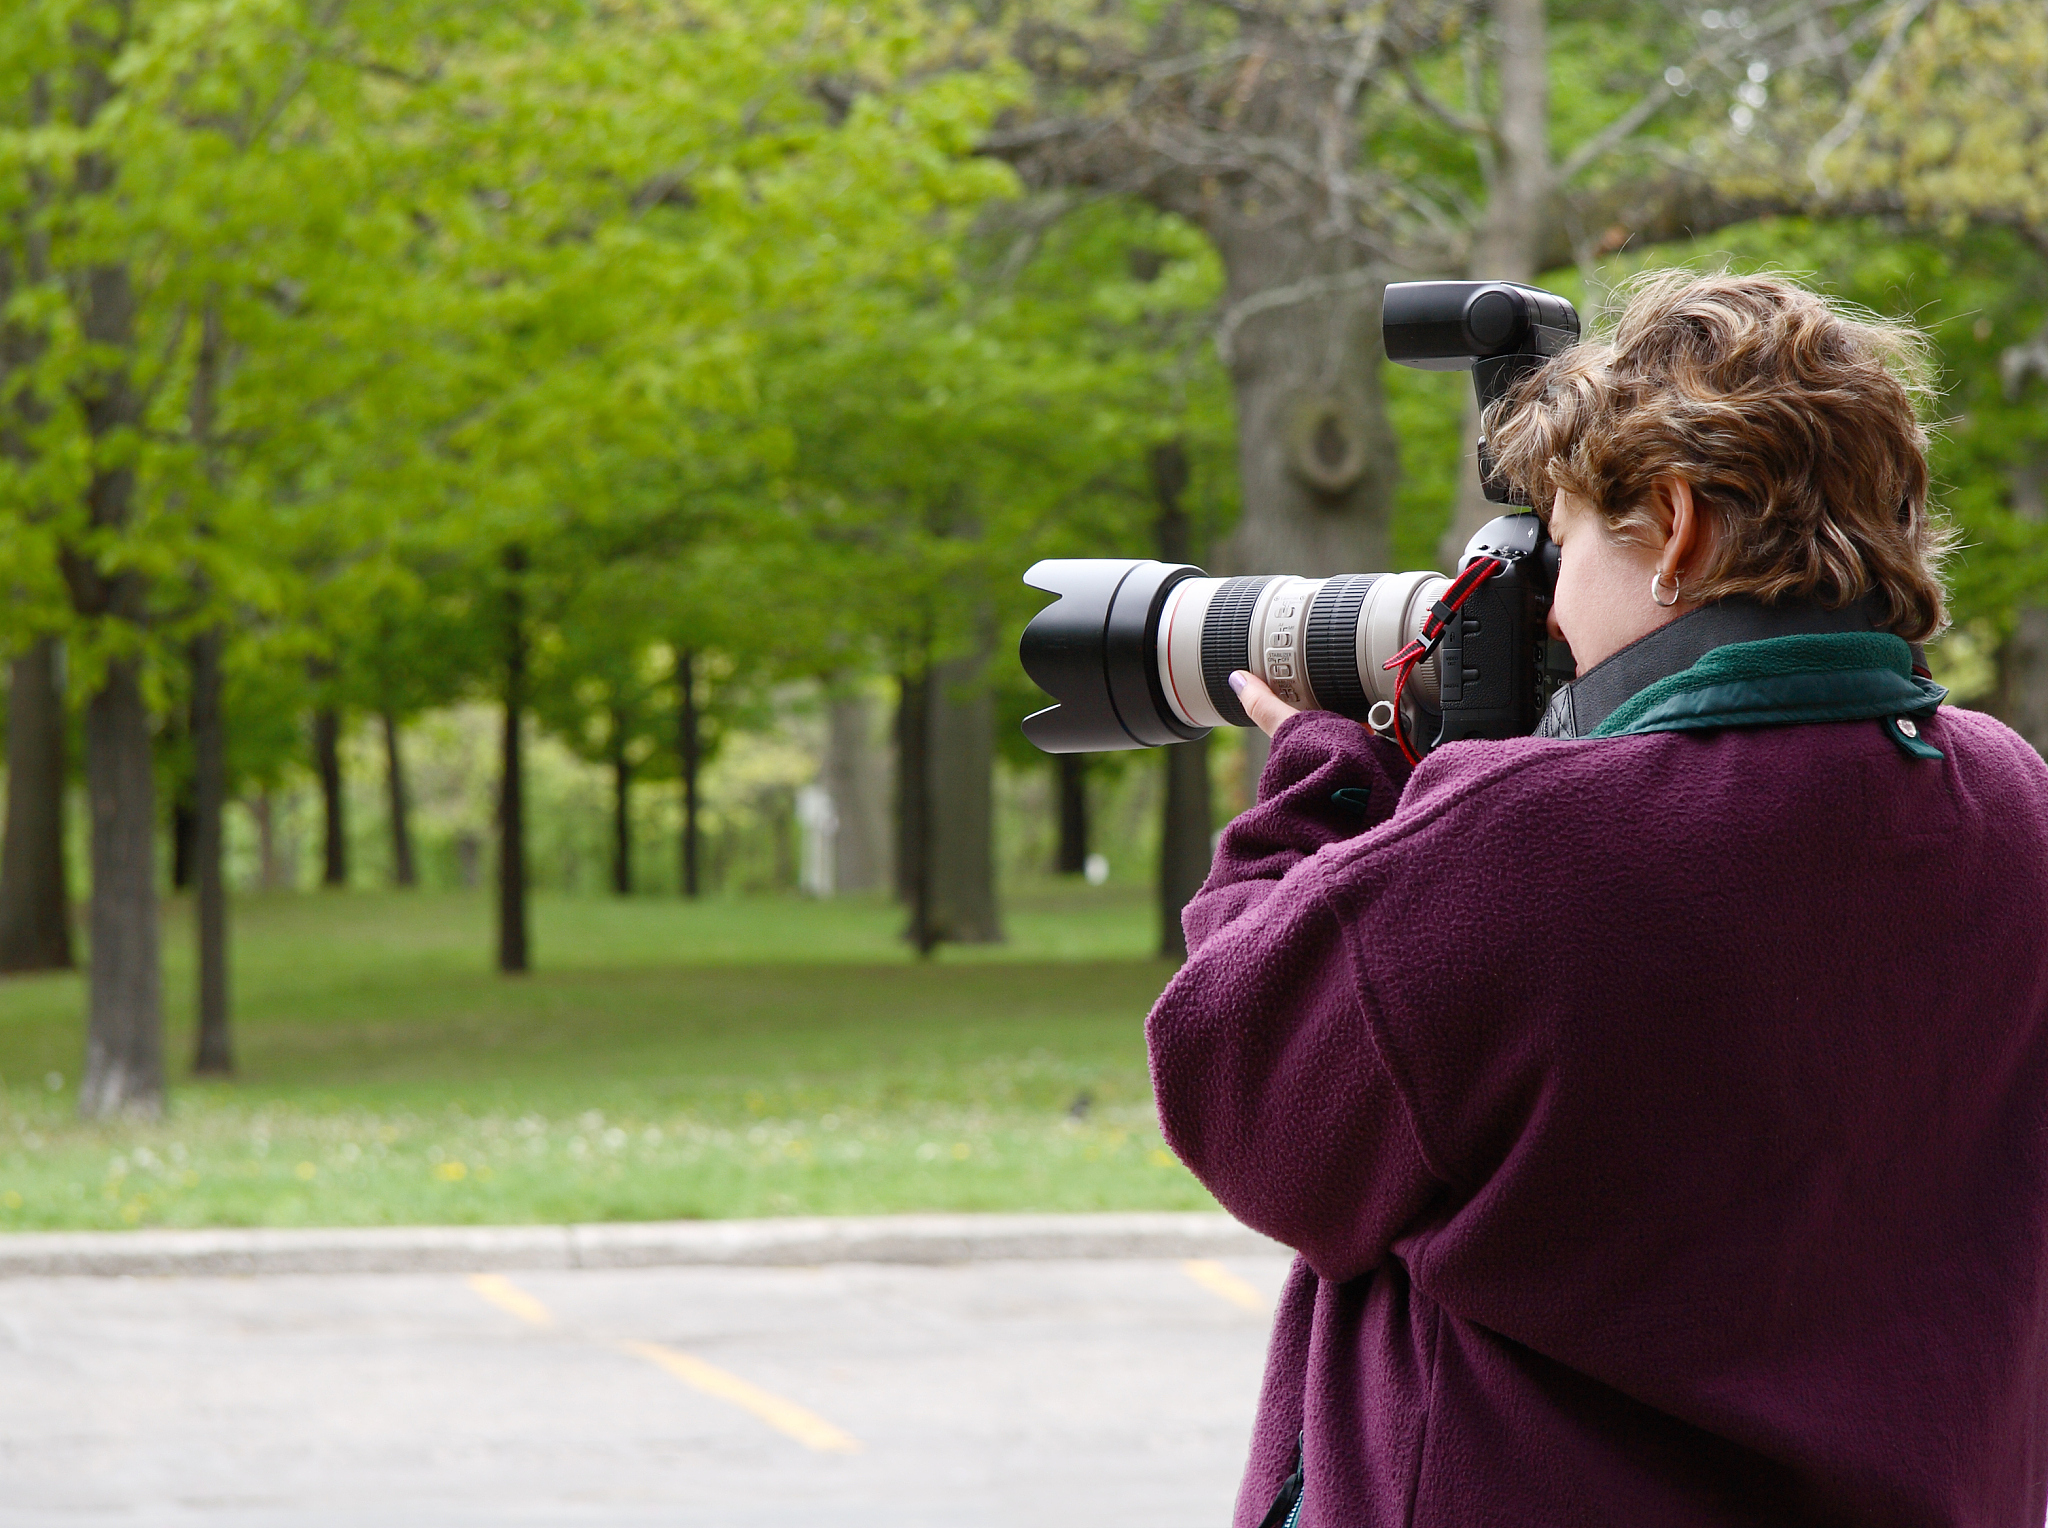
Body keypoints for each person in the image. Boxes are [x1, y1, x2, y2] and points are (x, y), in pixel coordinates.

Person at [1149, 269, 2048, 1528]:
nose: (1547, 610)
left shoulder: (1535, 845)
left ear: (1673, 526)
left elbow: (1242, 1086)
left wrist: (1325, 772)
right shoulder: (2010, 801)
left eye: (1560, 540)